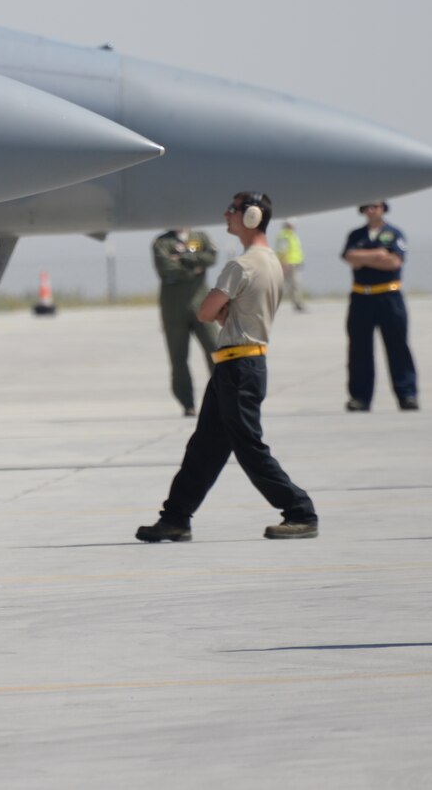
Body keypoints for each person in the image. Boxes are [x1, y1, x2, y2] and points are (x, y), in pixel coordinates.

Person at [136, 192, 318, 543]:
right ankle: (175, 518)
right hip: (240, 363)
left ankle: (301, 511)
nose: (225, 214)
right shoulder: (272, 261)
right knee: (204, 448)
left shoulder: (243, 265)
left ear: (251, 217)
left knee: (249, 447)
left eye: (232, 210)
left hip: (238, 366)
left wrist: (222, 308)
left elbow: (206, 312)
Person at [342, 201, 418, 411]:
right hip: (361, 297)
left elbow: (394, 262)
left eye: (375, 206)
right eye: (367, 206)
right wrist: (378, 255)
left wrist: (364, 258)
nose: (371, 210)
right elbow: (349, 257)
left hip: (389, 296)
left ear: (384, 208)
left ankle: (407, 394)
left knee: (398, 347)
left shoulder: (395, 233)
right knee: (359, 350)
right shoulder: (355, 235)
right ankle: (360, 397)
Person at [152, 229, 220, 414]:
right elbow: (165, 267)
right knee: (178, 358)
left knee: (215, 349)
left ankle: (222, 395)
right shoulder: (161, 242)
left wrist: (183, 259)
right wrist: (194, 269)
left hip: (200, 306)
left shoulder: (201, 237)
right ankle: (187, 403)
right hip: (174, 310)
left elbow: (211, 256)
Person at [274, 221, 306, 311]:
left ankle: (296, 302)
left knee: (292, 285)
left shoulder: (291, 235)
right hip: (288, 264)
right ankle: (296, 303)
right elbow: (282, 250)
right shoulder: (285, 235)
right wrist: (284, 264)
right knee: (290, 285)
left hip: (294, 263)